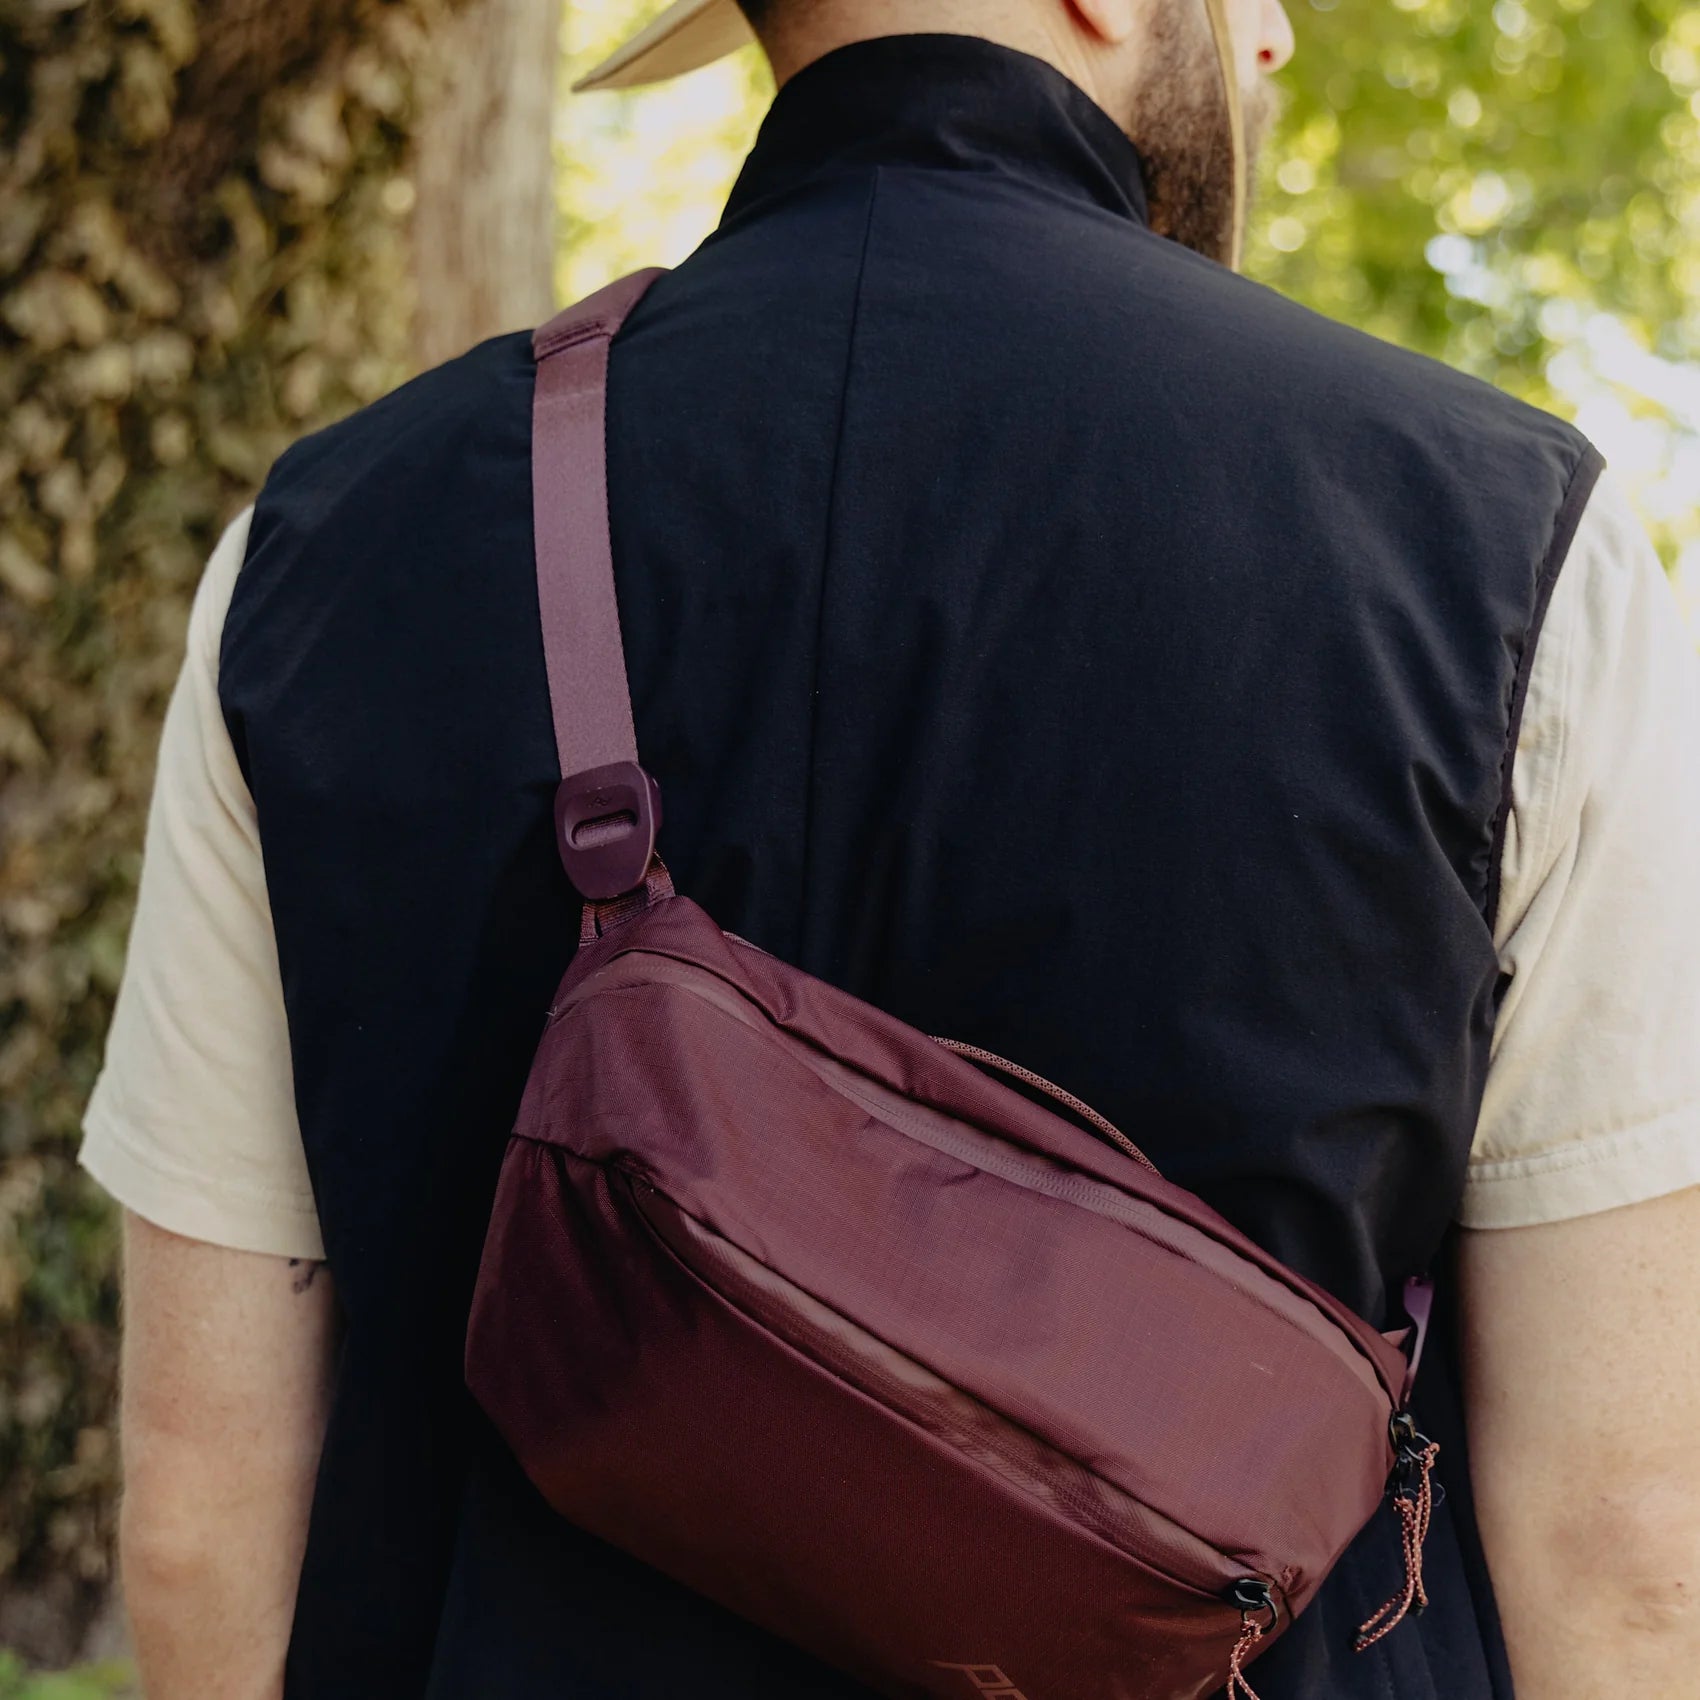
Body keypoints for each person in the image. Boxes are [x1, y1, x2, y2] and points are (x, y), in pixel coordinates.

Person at [82, 0, 1700, 1693]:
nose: (1275, 37)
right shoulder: (1516, 552)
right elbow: (1625, 1548)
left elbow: (205, 1519)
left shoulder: (324, 551)